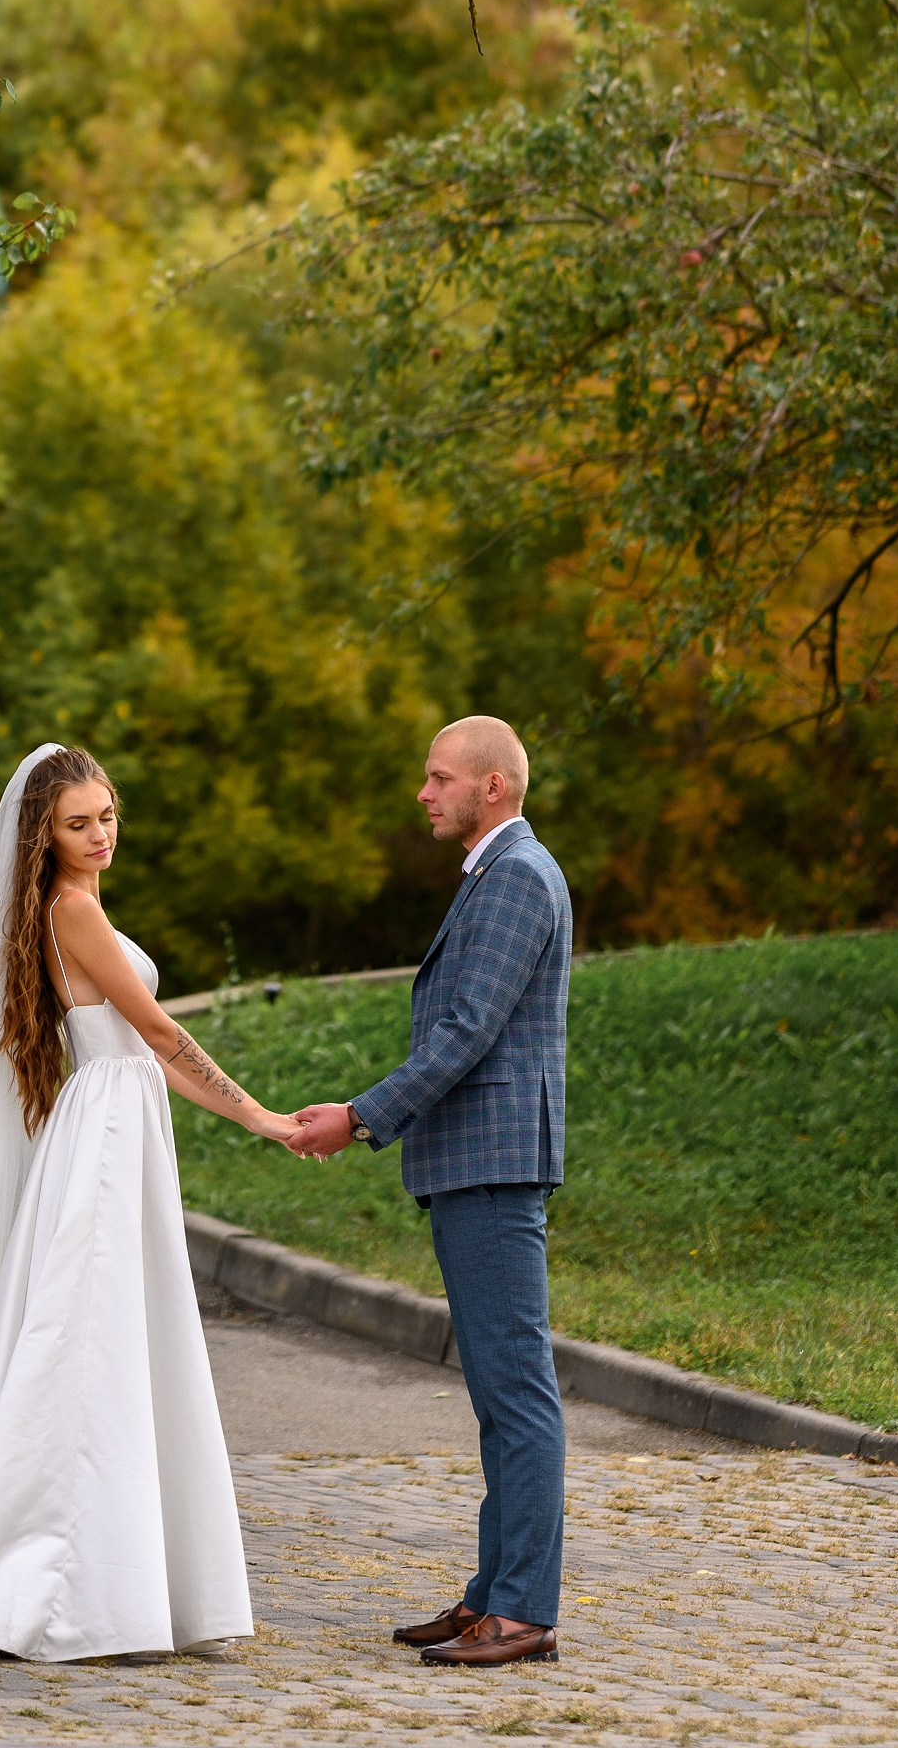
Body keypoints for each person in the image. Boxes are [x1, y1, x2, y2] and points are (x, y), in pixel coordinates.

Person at [0, 741, 299, 1663]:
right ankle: (49, 1581)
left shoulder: (79, 905)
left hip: (117, 1119)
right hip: (104, 1134)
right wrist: (260, 1116)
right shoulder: (72, 911)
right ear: (43, 837)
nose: (99, 836)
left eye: (106, 818)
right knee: (83, 1335)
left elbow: (148, 1050)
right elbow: (160, 1035)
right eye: (78, 824)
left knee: (115, 1336)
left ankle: (129, 1580)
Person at [286, 714, 573, 1672]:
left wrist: (362, 1117)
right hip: (474, 1165)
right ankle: (495, 1595)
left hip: (492, 1167)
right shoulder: (498, 876)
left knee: (517, 1392)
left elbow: (465, 1034)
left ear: (493, 785)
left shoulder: (519, 878)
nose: (425, 792)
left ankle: (524, 1610)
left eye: (440, 777)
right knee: (500, 1394)